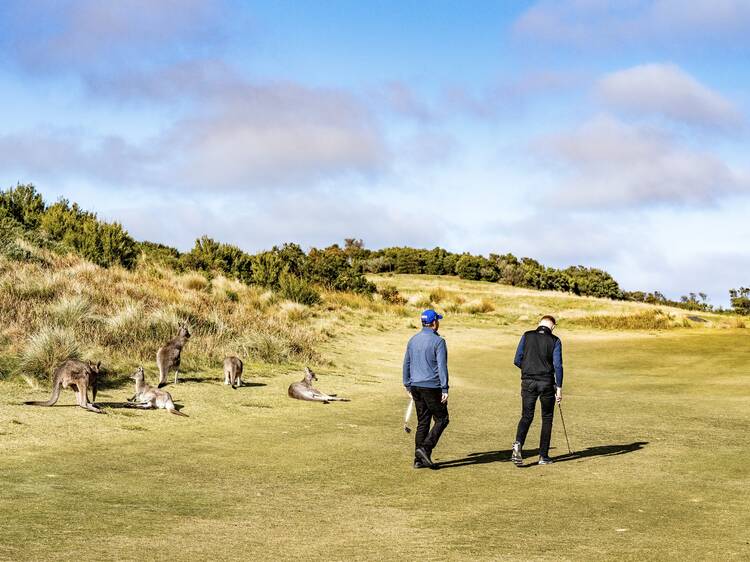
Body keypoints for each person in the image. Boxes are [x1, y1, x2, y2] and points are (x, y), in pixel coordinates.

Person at [511, 315, 563, 466]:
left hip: (528, 381)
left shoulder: (527, 335)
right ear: (553, 326)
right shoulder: (555, 340)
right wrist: (558, 388)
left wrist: (528, 369)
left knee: (526, 416)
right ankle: (543, 456)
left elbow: (517, 359)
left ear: (539, 323)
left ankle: (517, 447)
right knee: (547, 418)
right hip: (546, 382)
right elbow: (558, 366)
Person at [403, 309, 449, 469]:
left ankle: (418, 460)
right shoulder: (439, 342)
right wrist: (445, 388)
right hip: (432, 387)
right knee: (442, 419)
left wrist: (407, 383)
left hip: (415, 386)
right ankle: (425, 448)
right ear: (434, 323)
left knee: (423, 422)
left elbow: (406, 363)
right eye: (438, 320)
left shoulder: (413, 340)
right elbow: (442, 367)